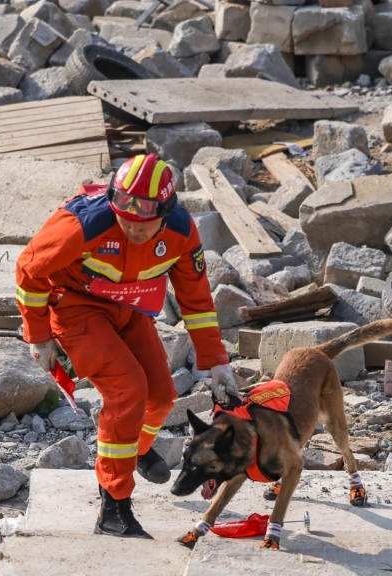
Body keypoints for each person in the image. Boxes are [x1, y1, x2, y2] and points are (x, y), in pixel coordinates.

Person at [15, 153, 238, 538]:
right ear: (113, 200)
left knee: (161, 397)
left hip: (129, 306)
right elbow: (28, 271)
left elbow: (197, 302)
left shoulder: (183, 235)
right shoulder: (81, 225)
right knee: (126, 389)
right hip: (76, 307)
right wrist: (38, 335)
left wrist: (217, 361)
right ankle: (113, 508)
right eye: (125, 218)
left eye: (145, 222)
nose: (133, 229)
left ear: (166, 211)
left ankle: (134, 450)